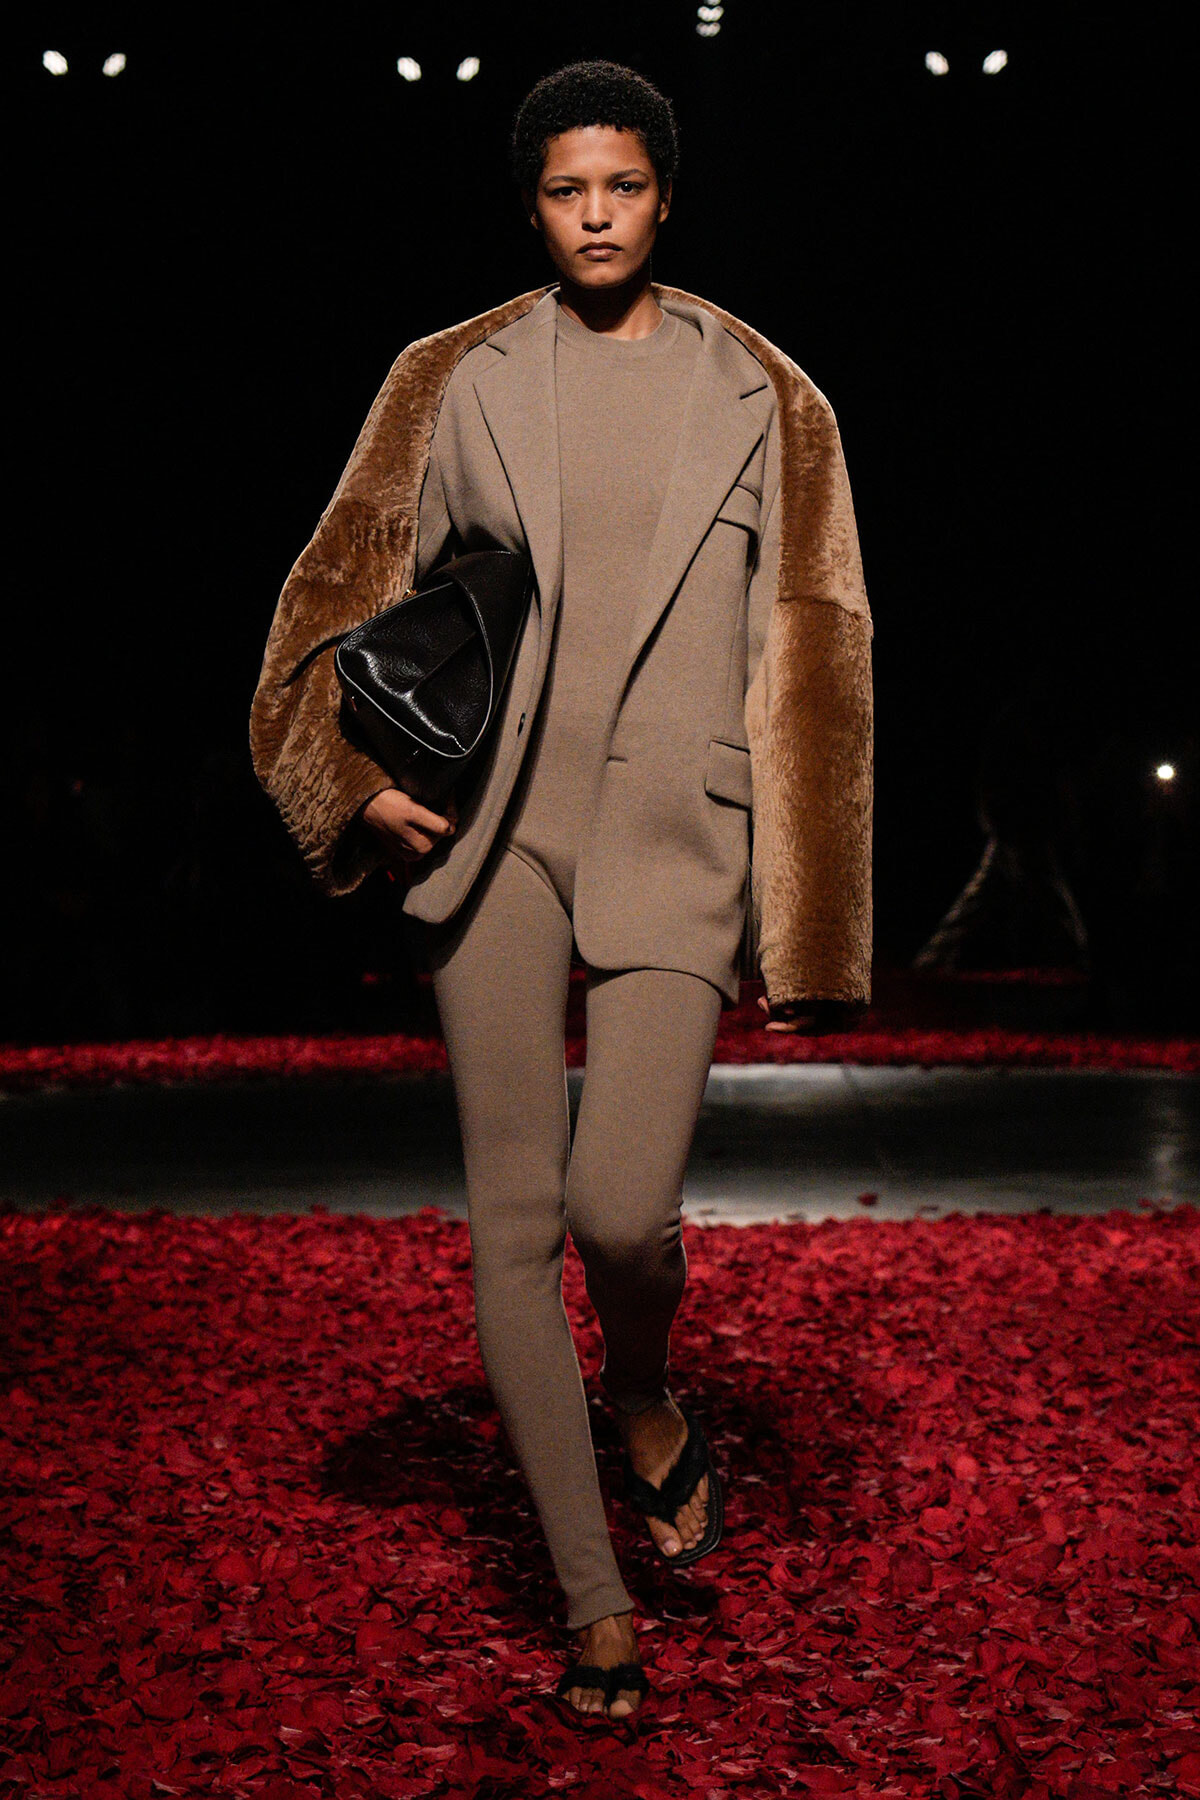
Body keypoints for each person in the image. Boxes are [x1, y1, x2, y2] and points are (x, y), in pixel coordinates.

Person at [250, 58, 873, 1724]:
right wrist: (349, 782)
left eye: (622, 188)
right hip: (491, 833)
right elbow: (335, 589)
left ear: (667, 199)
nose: (595, 216)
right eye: (563, 192)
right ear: (532, 207)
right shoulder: (454, 379)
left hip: (679, 831)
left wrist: (811, 914)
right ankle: (597, 1601)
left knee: (619, 1216)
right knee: (517, 1226)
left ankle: (649, 1386)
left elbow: (815, 656)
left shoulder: (769, 394)